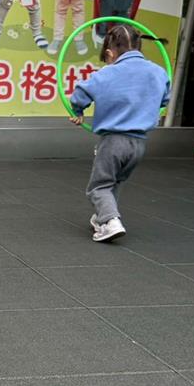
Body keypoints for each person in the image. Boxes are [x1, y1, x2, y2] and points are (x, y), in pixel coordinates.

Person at [69, 23, 169, 242]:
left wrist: (78, 111)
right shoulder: (158, 72)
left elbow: (79, 95)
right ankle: (103, 218)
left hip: (113, 141)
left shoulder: (107, 73)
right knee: (115, 182)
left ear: (109, 53)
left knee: (99, 186)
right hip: (139, 144)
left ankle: (110, 221)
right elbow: (164, 100)